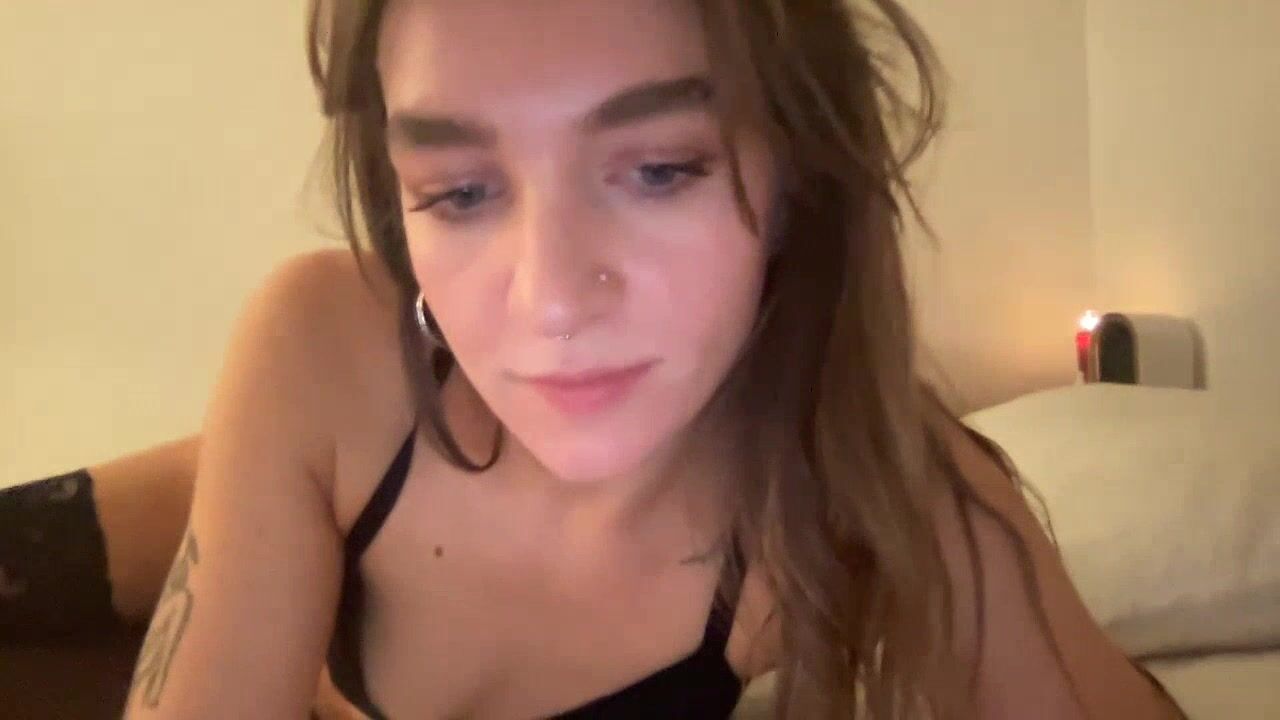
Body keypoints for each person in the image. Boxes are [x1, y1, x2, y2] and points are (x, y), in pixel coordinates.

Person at [3, 0, 1188, 718]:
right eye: (458, 191)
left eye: (660, 169)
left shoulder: (888, 499)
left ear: (798, 179)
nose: (551, 300)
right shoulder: (322, 343)